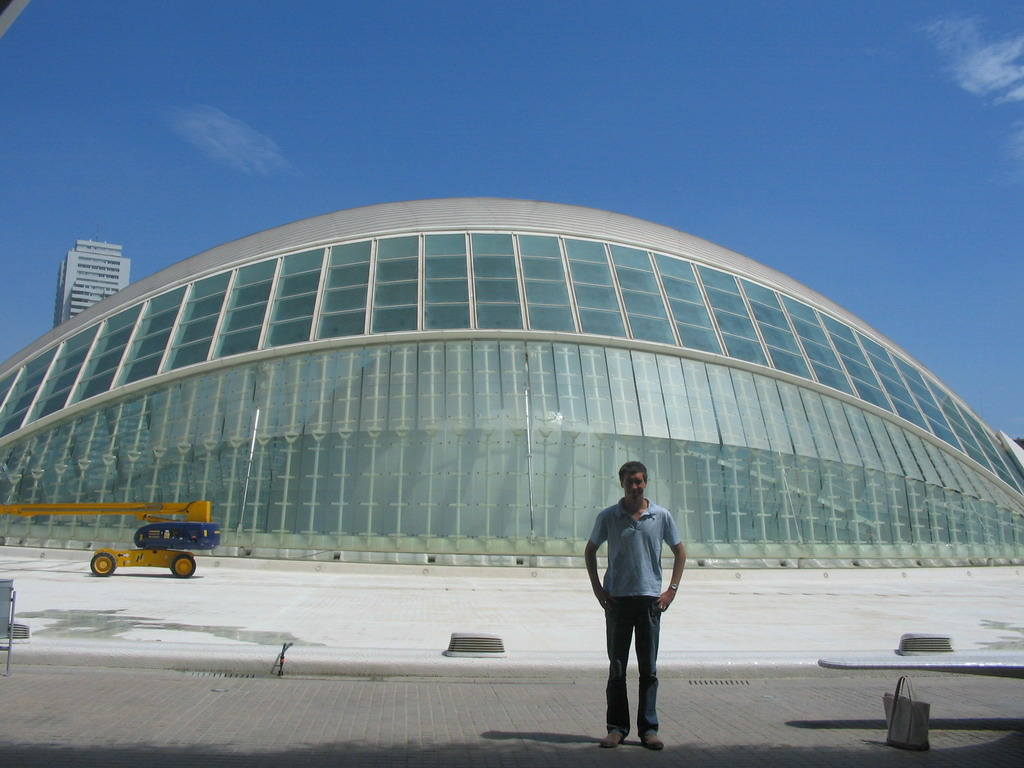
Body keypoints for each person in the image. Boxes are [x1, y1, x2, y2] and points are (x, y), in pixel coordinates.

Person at [584, 460, 686, 750]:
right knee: (617, 668)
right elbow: (590, 551)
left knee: (648, 668)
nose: (635, 486)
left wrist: (671, 591)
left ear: (646, 482)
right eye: (630, 481)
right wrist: (598, 589)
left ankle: (648, 730)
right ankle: (616, 729)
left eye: (639, 481)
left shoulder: (661, 516)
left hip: (650, 601)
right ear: (622, 483)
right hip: (617, 600)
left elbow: (680, 551)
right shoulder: (609, 517)